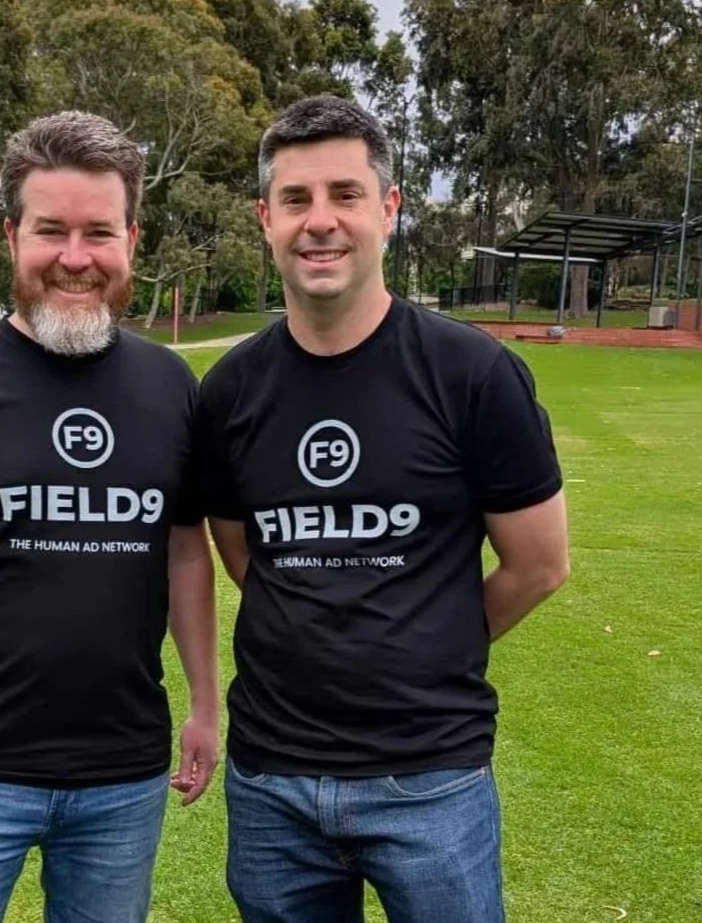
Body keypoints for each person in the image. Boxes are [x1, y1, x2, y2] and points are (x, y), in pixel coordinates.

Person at [197, 95, 570, 923]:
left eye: (345, 195)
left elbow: (539, 564)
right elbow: (243, 556)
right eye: (295, 200)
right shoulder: (230, 391)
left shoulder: (472, 374)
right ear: (265, 218)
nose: (318, 221)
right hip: (271, 781)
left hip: (429, 775)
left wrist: (427, 642)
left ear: (389, 209)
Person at [0, 110, 218, 923]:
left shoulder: (170, 387)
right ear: (10, 236)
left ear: (131, 237)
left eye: (98, 233)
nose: (74, 258)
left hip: (121, 776)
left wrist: (204, 703)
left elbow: (185, 554)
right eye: (50, 230)